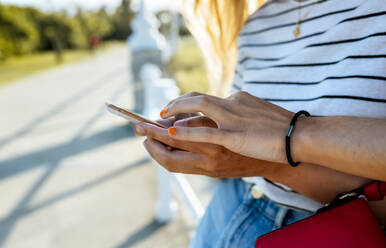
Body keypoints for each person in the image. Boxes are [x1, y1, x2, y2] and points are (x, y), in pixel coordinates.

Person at [134, 0, 386, 247]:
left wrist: (277, 154)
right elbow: (244, 131)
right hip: (225, 213)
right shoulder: (257, 24)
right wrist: (208, 133)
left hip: (326, 232)